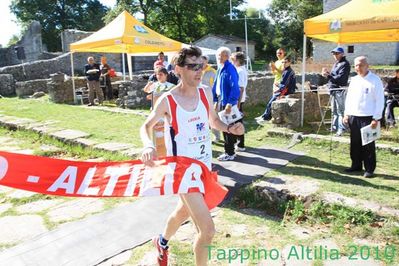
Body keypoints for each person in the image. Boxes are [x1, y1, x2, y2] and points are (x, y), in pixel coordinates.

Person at [140, 46, 244, 266]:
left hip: (203, 168)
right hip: (182, 172)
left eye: (201, 66)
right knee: (207, 230)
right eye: (192, 66)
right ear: (178, 69)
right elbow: (146, 126)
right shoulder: (168, 100)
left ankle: (162, 241)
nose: (199, 71)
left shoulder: (205, 92)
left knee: (182, 212)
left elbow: (213, 121)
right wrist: (148, 145)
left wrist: (229, 128)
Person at [343, 56, 384, 178]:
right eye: (356, 65)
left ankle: (369, 169)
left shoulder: (375, 80)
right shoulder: (354, 80)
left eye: (360, 65)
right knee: (354, 143)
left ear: (367, 65)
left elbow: (380, 100)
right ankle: (356, 165)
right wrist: (346, 113)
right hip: (354, 116)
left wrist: (376, 118)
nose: (358, 68)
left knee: (368, 144)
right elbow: (349, 99)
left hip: (368, 117)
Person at [212, 47, 241, 161]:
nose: (219, 57)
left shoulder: (230, 68)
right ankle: (230, 149)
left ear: (227, 56)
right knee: (226, 127)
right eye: (218, 55)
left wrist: (230, 102)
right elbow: (216, 85)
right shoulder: (220, 68)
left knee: (227, 128)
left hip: (227, 101)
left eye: (222, 55)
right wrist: (215, 100)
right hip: (221, 100)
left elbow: (235, 87)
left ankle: (229, 153)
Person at [322, 46, 351, 136]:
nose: (335, 55)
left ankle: (342, 129)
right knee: (334, 110)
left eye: (337, 53)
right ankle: (334, 127)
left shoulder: (345, 64)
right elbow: (334, 76)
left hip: (340, 89)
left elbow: (341, 79)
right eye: (334, 53)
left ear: (342, 54)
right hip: (333, 89)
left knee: (340, 111)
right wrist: (327, 74)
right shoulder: (336, 63)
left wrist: (329, 76)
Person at [258, 57, 296, 121]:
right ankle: (264, 116)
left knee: (270, 103)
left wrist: (278, 85)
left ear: (289, 62)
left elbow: (284, 85)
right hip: (286, 90)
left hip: (286, 91)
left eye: (285, 62)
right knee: (270, 102)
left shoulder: (288, 72)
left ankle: (265, 118)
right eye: (283, 62)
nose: (284, 63)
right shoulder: (287, 70)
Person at [231, 52, 248, 151]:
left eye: (232, 59)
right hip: (239, 99)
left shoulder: (240, 71)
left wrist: (237, 102)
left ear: (237, 60)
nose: (231, 61)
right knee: (236, 121)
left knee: (237, 121)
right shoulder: (240, 69)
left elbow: (241, 88)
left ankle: (240, 143)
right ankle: (239, 142)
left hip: (238, 100)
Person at [201, 55, 219, 142]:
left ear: (206, 62)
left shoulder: (212, 72)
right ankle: (205, 135)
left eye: (203, 62)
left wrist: (216, 100)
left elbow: (215, 87)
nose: (201, 63)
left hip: (210, 98)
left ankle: (217, 136)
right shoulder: (198, 71)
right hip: (199, 98)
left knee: (212, 117)